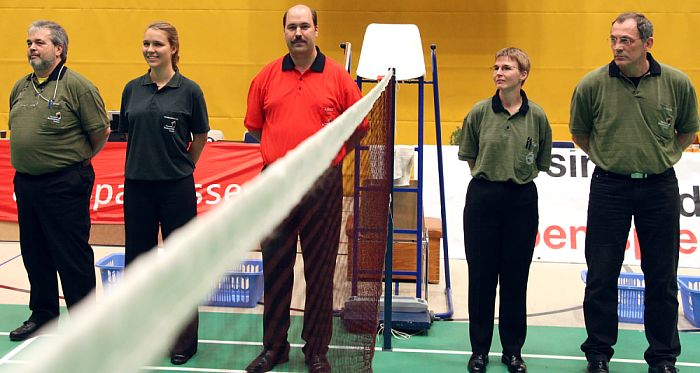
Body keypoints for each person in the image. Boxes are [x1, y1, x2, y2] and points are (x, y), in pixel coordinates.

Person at [569, 12, 699, 373]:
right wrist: (604, 157)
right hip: (610, 186)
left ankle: (662, 357)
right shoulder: (592, 84)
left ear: (648, 44)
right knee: (601, 274)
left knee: (661, 276)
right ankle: (597, 354)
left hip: (659, 187)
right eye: (613, 39)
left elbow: (687, 129)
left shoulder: (677, 82)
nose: (617, 46)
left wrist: (667, 155)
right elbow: (580, 132)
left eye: (625, 40)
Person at [243, 4, 366, 373]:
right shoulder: (266, 76)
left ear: (317, 30)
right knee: (276, 267)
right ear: (284, 32)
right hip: (277, 183)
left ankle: (316, 351)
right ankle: (274, 348)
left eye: (304, 27)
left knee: (320, 269)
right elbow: (255, 126)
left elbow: (358, 127)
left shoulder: (338, 78)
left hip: (322, 185)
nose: (298, 33)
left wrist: (329, 158)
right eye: (292, 27)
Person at [7, 20, 110, 341]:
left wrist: (73, 162)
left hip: (65, 182)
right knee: (34, 252)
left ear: (59, 49)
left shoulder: (78, 86)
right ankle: (43, 314)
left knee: (71, 254)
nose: (32, 48)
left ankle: (85, 322)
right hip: (26, 183)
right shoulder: (20, 87)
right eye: (28, 43)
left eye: (39, 42)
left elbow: (100, 132)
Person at [118, 21, 209, 365]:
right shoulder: (132, 89)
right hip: (137, 188)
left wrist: (181, 167)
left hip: (176, 189)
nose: (150, 50)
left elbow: (199, 137)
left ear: (173, 48)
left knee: (180, 265)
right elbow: (128, 133)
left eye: (157, 44)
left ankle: (184, 341)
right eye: (146, 44)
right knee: (137, 266)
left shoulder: (190, 91)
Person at [458, 47, 552, 373]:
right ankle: (479, 351)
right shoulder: (480, 113)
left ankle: (513, 351)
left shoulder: (537, 116)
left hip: (522, 201)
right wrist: (491, 177)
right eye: (496, 67)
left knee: (515, 279)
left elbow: (541, 161)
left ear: (523, 75)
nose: (499, 72)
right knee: (482, 279)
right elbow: (470, 154)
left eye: (507, 68)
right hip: (483, 198)